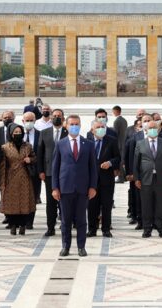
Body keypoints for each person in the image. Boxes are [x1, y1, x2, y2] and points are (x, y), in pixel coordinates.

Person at [52, 115, 98, 257]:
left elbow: (93, 168)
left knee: (81, 220)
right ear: (66, 125)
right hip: (65, 188)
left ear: (80, 125)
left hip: (83, 188)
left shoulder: (88, 144)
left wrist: (92, 187)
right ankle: (65, 246)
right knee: (65, 220)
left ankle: (81, 247)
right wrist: (55, 187)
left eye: (77, 124)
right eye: (71, 124)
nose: (74, 126)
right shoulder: (60, 144)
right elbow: (55, 167)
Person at [133, 119, 162, 238]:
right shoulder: (140, 143)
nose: (152, 130)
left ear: (158, 129)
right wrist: (137, 179)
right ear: (146, 130)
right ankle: (147, 229)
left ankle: (161, 228)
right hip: (146, 180)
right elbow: (136, 163)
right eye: (150, 128)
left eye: (154, 128)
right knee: (146, 205)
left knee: (160, 205)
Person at [0, 124, 37, 236]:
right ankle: (13, 225)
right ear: (11, 133)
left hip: (25, 178)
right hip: (11, 178)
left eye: (19, 132)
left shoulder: (28, 146)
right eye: (15, 132)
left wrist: (30, 159)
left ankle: (23, 225)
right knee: (11, 204)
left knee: (25, 203)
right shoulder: (5, 147)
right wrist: (2, 182)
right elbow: (2, 166)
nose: (17, 134)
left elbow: (35, 157)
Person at [87, 120, 121, 238]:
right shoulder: (87, 142)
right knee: (92, 206)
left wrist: (110, 163)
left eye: (103, 126)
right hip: (91, 180)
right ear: (92, 130)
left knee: (106, 205)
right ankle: (92, 229)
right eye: (98, 127)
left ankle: (106, 229)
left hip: (107, 179)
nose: (101, 128)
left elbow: (118, 157)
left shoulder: (111, 140)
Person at [37, 109, 67, 237]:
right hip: (49, 172)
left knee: (65, 200)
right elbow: (40, 153)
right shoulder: (44, 133)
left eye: (59, 116)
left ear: (63, 118)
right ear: (50, 117)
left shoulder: (68, 132)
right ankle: (50, 227)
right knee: (51, 201)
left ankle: (66, 224)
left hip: (65, 172)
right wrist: (41, 171)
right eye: (54, 116)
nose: (56, 118)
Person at [22, 111, 41, 228]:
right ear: (23, 121)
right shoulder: (17, 134)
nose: (29, 122)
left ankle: (30, 221)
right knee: (21, 195)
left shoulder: (40, 134)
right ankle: (20, 221)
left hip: (35, 171)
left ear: (35, 121)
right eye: (27, 120)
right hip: (19, 171)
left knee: (33, 197)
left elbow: (42, 153)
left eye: (31, 120)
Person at [112, 105, 128, 182]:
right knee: (122, 160)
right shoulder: (124, 120)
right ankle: (123, 177)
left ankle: (121, 177)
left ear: (116, 111)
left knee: (120, 161)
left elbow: (115, 133)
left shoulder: (117, 121)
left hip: (118, 143)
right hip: (124, 142)